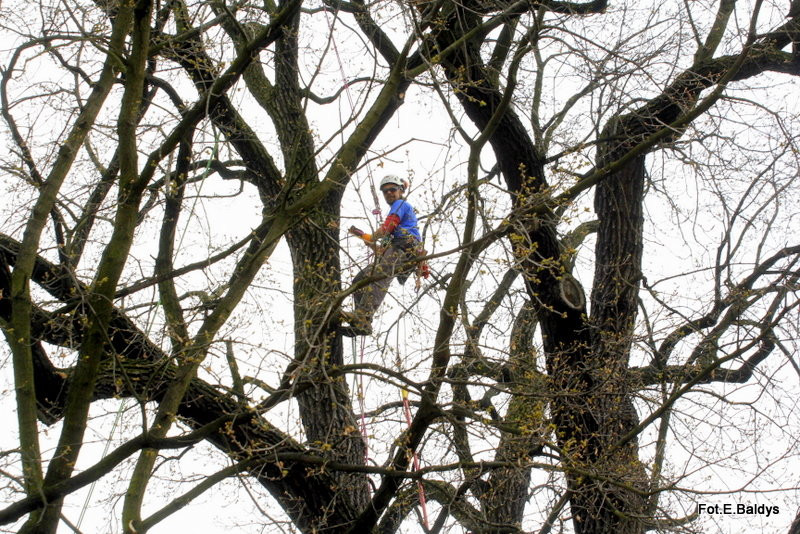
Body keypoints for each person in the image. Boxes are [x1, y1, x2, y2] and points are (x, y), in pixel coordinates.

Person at [340, 174, 428, 336]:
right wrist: (371, 243)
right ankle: (362, 322)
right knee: (360, 279)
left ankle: (363, 315)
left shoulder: (401, 204)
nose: (389, 193)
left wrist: (374, 236)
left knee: (380, 276)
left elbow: (388, 227)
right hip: (398, 249)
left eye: (392, 190)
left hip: (406, 247)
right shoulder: (397, 216)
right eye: (385, 191)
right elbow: (383, 251)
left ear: (400, 190)